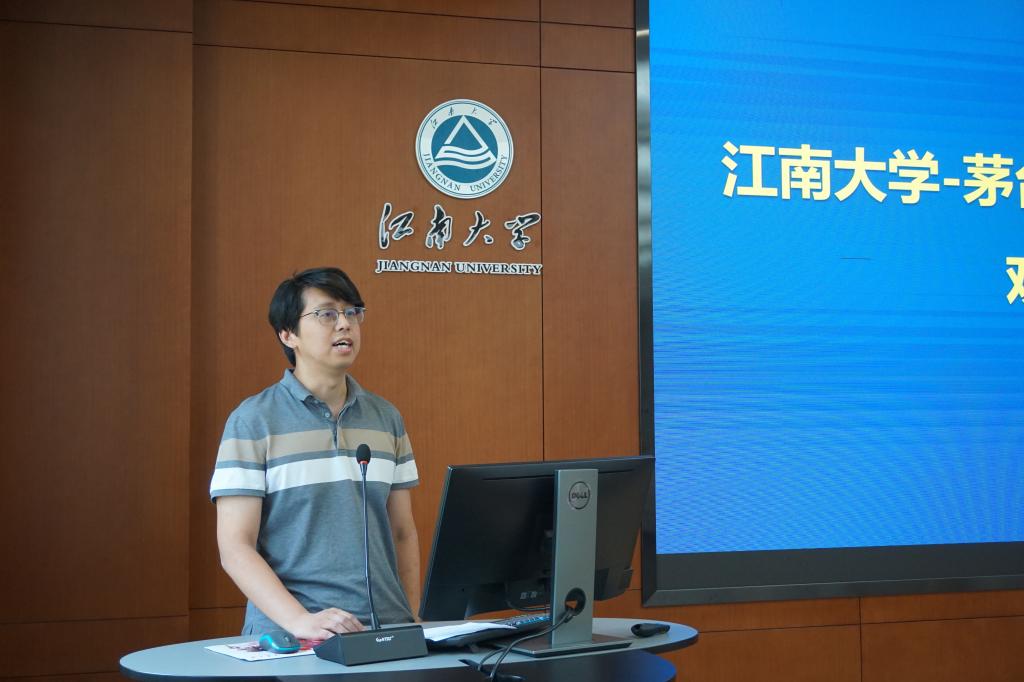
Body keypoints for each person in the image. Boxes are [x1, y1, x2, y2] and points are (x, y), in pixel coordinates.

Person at [210, 267, 420, 640]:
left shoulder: (386, 418)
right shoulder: (253, 421)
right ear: (287, 333)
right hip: (293, 637)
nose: (345, 324)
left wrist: (412, 618)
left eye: (352, 312)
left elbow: (402, 532)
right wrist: (301, 621)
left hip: (387, 630)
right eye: (326, 314)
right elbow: (235, 547)